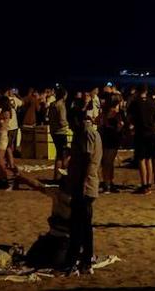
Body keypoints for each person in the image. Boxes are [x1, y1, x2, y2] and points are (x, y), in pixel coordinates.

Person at [63, 101, 101, 276]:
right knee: (84, 226)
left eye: (71, 122)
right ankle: (85, 261)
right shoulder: (84, 132)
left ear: (77, 120)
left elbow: (86, 160)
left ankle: (75, 262)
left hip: (85, 186)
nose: (70, 126)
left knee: (78, 226)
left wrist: (80, 185)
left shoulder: (86, 133)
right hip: (83, 184)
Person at [127, 87, 155, 193]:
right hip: (151, 133)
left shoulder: (135, 103)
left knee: (141, 159)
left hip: (140, 133)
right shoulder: (152, 102)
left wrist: (132, 126)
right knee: (149, 159)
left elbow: (129, 116)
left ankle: (144, 184)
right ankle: (149, 182)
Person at [47, 90, 70, 183]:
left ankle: (57, 176)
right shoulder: (61, 106)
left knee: (59, 155)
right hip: (61, 132)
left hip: (53, 131)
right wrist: (69, 123)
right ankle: (60, 177)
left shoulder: (52, 104)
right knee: (63, 155)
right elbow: (62, 120)